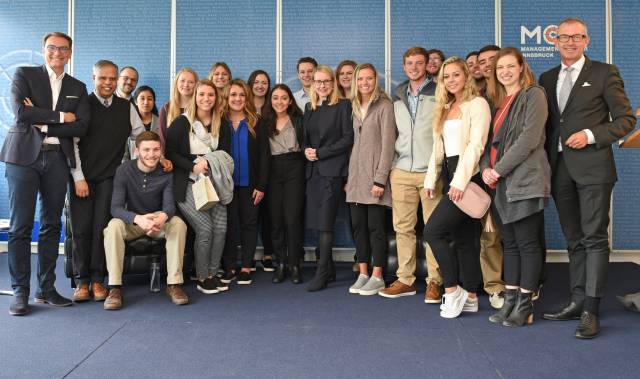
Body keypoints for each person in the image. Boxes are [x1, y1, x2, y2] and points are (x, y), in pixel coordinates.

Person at [539, 17, 635, 339]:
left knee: (594, 238)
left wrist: (591, 134)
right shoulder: (547, 77)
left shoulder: (605, 73)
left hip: (593, 168)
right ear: (555, 41)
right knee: (574, 240)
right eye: (564, 37)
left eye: (576, 37)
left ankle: (591, 311)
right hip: (559, 170)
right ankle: (577, 300)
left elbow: (625, 120)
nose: (570, 42)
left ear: (586, 41)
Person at [0, 32, 90, 315]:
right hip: (23, 157)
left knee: (52, 225)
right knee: (21, 226)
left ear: (70, 53)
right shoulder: (24, 74)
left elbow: (82, 127)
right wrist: (62, 116)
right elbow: (20, 113)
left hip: (57, 159)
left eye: (63, 49)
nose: (57, 53)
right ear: (44, 50)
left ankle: (46, 288)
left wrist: (45, 122)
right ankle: (20, 291)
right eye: (52, 48)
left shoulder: (77, 86)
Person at [68, 60, 149, 303]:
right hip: (81, 178)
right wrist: (79, 178)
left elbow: (141, 137)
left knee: (100, 229)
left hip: (109, 179)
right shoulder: (83, 105)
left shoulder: (127, 107)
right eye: (103, 78)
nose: (108, 83)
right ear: (93, 78)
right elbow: (71, 144)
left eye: (112, 79)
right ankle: (81, 281)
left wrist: (157, 157)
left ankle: (96, 280)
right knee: (81, 229)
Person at [480, 47, 550, 327]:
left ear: (521, 67)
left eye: (510, 66)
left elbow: (529, 138)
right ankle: (509, 300)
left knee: (527, 244)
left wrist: (497, 169)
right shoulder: (498, 101)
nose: (505, 72)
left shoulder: (534, 95)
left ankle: (524, 305)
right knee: (509, 244)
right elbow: (488, 142)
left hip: (525, 180)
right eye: (500, 68)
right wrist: (486, 167)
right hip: (500, 183)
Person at [423, 56, 491, 319]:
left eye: (455, 75)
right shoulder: (445, 107)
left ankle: (452, 290)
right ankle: (472, 296)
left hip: (468, 177)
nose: (451, 80)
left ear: (466, 76)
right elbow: (437, 150)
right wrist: (431, 180)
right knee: (464, 240)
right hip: (450, 175)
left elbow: (476, 146)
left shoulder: (478, 104)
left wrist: (460, 182)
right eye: (446, 76)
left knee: (433, 231)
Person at [378, 47, 443, 304]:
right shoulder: (396, 95)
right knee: (402, 227)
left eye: (419, 63)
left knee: (434, 228)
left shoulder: (440, 92)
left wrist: (438, 168)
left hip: (430, 171)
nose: (414, 67)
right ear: (404, 67)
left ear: (427, 65)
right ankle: (405, 279)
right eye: (409, 64)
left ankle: (435, 282)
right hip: (402, 171)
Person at [103, 131, 189, 309]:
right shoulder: (124, 170)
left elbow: (169, 206)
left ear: (161, 150)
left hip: (158, 219)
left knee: (178, 224)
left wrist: (160, 219)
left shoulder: (166, 171)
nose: (151, 154)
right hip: (133, 221)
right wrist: (138, 219)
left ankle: (174, 285)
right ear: (137, 151)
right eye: (146, 150)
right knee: (113, 226)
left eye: (156, 149)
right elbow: (115, 208)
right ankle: (114, 288)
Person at [165, 79, 232, 295]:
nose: (206, 99)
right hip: (188, 184)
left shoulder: (221, 123)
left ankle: (212, 274)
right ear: (195, 97)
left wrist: (209, 162)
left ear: (216, 98)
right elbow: (171, 154)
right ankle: (202, 277)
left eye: (210, 95)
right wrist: (194, 164)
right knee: (205, 229)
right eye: (201, 94)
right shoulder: (182, 122)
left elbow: (225, 154)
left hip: (215, 183)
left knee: (220, 229)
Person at [345, 63, 395, 296]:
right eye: (360, 79)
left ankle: (377, 275)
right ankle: (363, 272)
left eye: (369, 78)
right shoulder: (354, 106)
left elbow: (387, 146)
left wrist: (380, 180)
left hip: (375, 180)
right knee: (359, 228)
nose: (365, 83)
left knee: (376, 229)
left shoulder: (384, 105)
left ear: (376, 80)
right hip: (355, 180)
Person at [303, 65, 354, 292]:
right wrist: (306, 150)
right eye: (318, 81)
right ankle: (329, 268)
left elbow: (347, 138)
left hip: (332, 171)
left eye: (326, 81)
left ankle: (322, 272)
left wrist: (321, 153)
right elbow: (304, 138)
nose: (322, 85)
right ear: (312, 84)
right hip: (312, 173)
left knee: (325, 225)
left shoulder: (343, 106)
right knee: (316, 223)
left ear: (333, 83)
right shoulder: (309, 107)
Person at [220, 79, 270, 286]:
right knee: (229, 225)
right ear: (226, 97)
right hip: (226, 185)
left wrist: (261, 185)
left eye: (241, 95)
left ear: (247, 98)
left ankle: (246, 266)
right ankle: (230, 266)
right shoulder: (219, 121)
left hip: (250, 184)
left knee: (249, 225)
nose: (237, 99)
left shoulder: (256, 122)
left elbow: (265, 157)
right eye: (233, 95)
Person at [263, 84, 305, 284]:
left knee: (292, 219)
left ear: (290, 101)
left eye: (283, 98)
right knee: (276, 220)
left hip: (295, 168)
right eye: (275, 98)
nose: (279, 102)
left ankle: (295, 264)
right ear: (271, 101)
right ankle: (280, 263)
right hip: (273, 171)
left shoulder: (299, 120)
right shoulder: (264, 122)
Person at [477, 43, 506, 308]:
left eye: (493, 59)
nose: (487, 64)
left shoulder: (515, 93)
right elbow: (480, 141)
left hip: (513, 172)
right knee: (490, 234)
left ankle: (522, 284)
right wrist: (486, 168)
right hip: (483, 173)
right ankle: (494, 286)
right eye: (483, 60)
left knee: (517, 234)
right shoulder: (476, 95)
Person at [248, 69, 275, 271]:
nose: (260, 85)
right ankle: (247, 254)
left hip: (271, 165)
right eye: (256, 82)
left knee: (269, 214)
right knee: (249, 213)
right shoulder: (243, 106)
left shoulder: (272, 107)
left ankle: (268, 253)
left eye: (264, 82)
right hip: (249, 166)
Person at [158, 68, 198, 150]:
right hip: (170, 159)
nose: (186, 84)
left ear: (196, 85)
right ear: (176, 83)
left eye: (191, 82)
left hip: (195, 160)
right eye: (182, 81)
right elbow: (162, 139)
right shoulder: (166, 108)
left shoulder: (200, 108)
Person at [124, 85, 159, 160]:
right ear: (136, 101)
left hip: (155, 164)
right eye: (142, 99)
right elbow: (124, 150)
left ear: (154, 102)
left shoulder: (160, 122)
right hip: (133, 166)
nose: (146, 102)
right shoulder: (128, 122)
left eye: (149, 99)